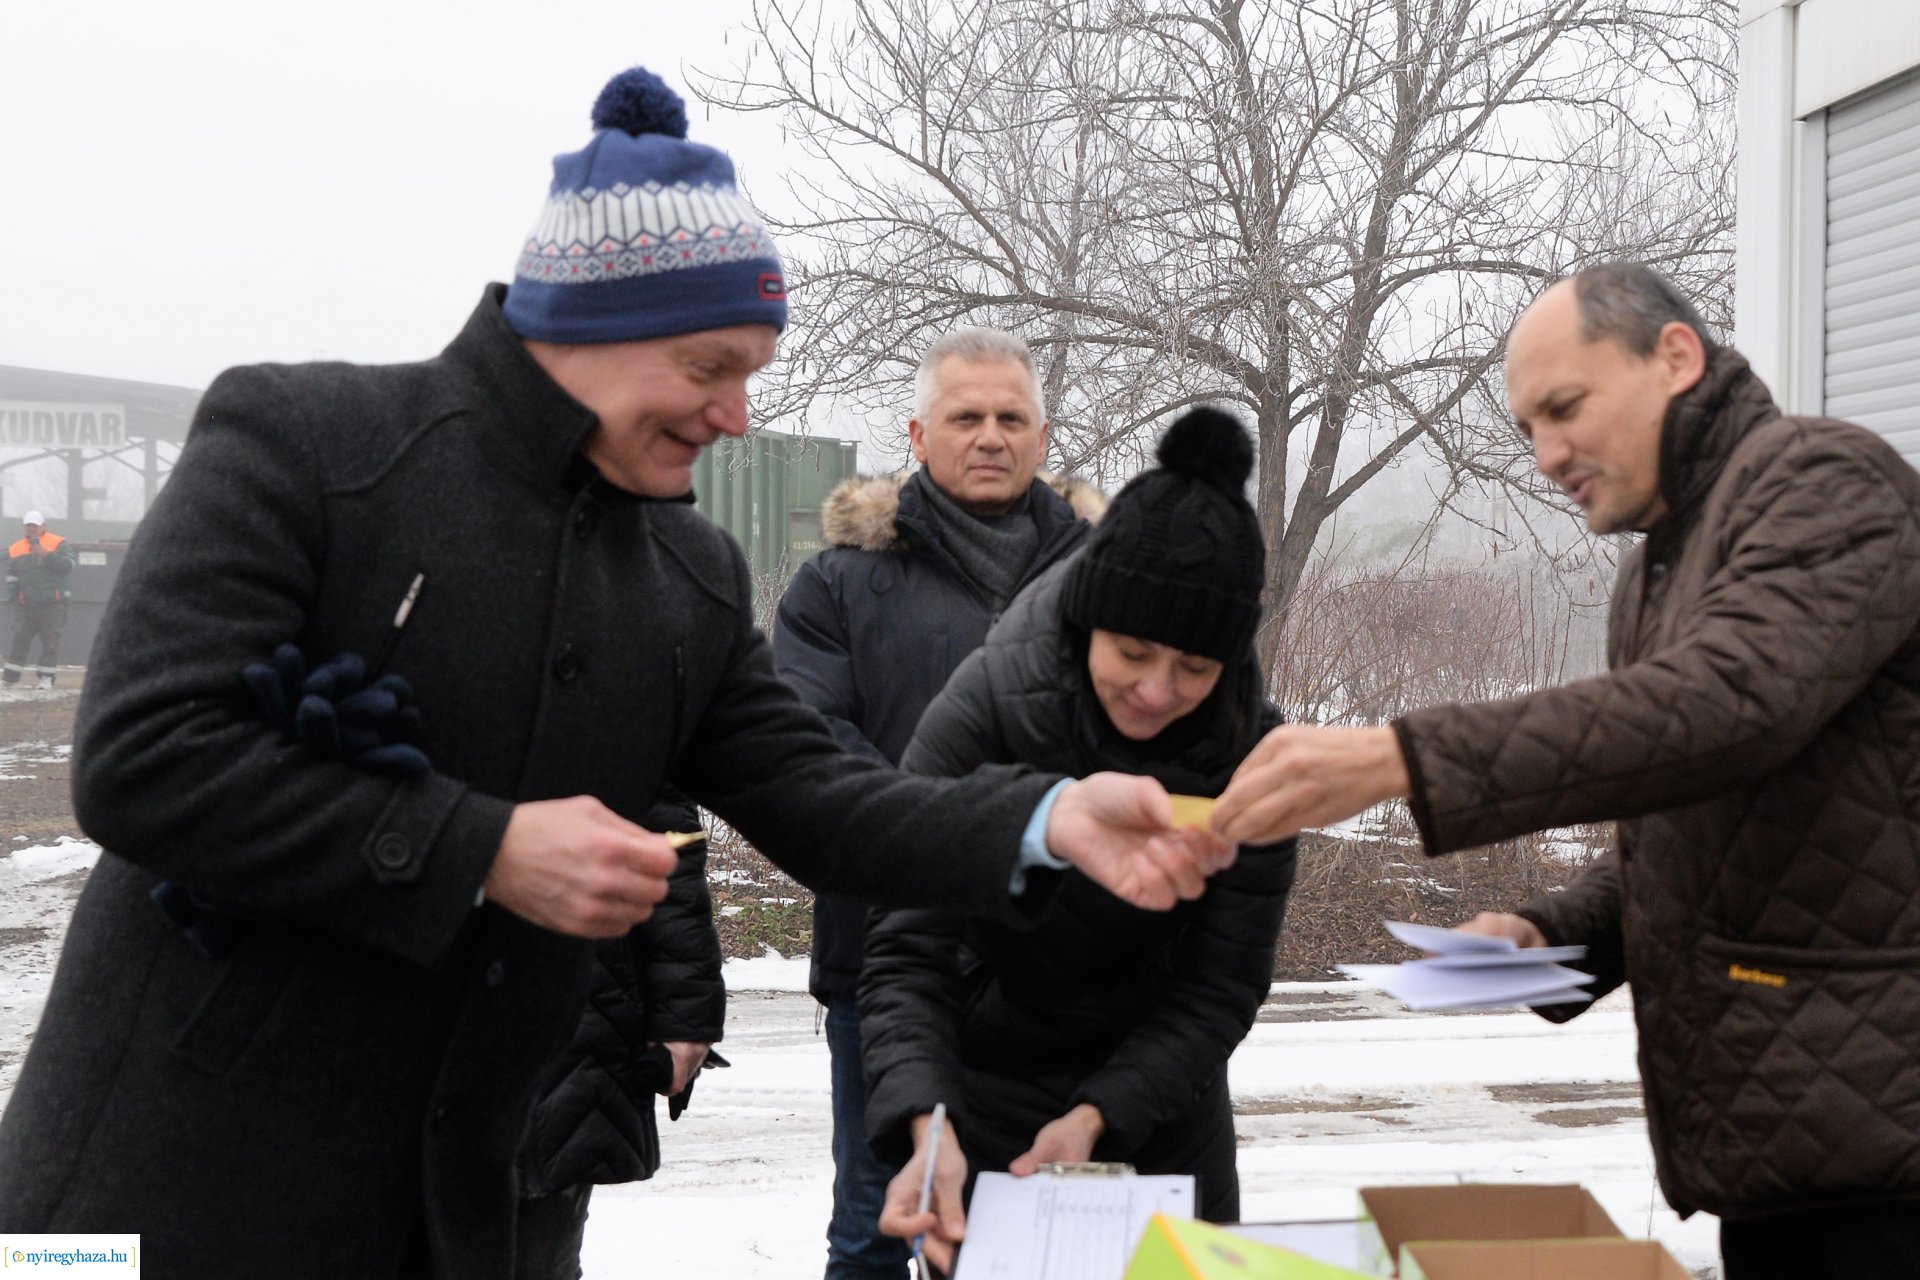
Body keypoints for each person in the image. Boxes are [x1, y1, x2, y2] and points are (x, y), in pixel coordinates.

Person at [0, 68, 1234, 1280]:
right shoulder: (310, 447)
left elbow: (827, 797)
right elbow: (142, 755)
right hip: (166, 1180)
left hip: (462, 1198)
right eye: (709, 367)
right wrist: (481, 846)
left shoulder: (687, 575)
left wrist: (1045, 817)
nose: (737, 415)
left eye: (751, 373)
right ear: (587, 325)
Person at [1212, 263, 1920, 1280]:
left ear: (1675, 356)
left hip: (1886, 1161)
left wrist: (1403, 755)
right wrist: (1550, 935)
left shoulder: (1825, 482)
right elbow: (1690, 816)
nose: (1546, 455)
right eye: (1527, 427)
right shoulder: (1655, 570)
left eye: (1566, 407)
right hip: (1786, 1153)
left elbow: (1725, 706)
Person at [866, 408, 1299, 1273]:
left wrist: (1102, 1114)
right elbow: (906, 950)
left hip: (1162, 1114)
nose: (1157, 690)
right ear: (1088, 618)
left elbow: (1221, 985)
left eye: (1195, 669)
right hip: (981, 1094)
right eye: (1131, 653)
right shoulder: (983, 710)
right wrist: (929, 1123)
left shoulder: (1257, 757)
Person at [772, 326, 1102, 1280]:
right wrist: (962, 836)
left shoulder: (1106, 579)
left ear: (1042, 437)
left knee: (1046, 1235)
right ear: (919, 436)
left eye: (1011, 418)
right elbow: (811, 747)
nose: (990, 436)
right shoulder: (837, 584)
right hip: (886, 955)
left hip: (1066, 961)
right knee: (878, 1224)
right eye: (965, 417)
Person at [514, 787, 723, 1280]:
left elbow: (670, 856)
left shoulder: (617, 738)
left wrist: (685, 1019)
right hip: (410, 998)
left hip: (575, 1006)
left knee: (539, 1256)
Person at [4, 509, 75, 690]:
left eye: (35, 525)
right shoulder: (16, 548)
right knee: (19, 640)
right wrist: (15, 597)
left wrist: (47, 554)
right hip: (26, 605)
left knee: (51, 642)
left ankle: (46, 678)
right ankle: (10, 679)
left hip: (53, 605)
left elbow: (68, 566)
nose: (32, 529)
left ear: (43, 526)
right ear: (24, 527)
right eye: (29, 525)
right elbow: (12, 576)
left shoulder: (58, 543)